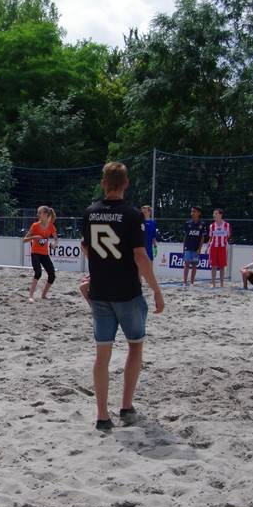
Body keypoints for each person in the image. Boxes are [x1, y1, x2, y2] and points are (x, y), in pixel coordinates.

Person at [80, 162, 164, 431]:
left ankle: (102, 416)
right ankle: (126, 406)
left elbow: (86, 247)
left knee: (102, 354)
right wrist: (156, 290)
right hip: (127, 292)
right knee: (135, 346)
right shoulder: (133, 214)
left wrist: (99, 268)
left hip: (100, 291)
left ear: (103, 184)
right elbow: (140, 256)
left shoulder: (90, 212)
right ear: (126, 183)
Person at [23, 206, 58, 302]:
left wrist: (54, 244)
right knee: (38, 272)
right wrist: (34, 237)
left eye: (39, 213)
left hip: (45, 254)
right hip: (35, 253)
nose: (37, 214)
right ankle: (31, 296)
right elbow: (25, 239)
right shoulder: (35, 225)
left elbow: (56, 239)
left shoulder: (51, 226)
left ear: (45, 214)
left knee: (52, 275)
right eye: (38, 213)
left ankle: (44, 295)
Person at [205, 208, 231, 289]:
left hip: (222, 247)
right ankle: (213, 284)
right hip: (214, 247)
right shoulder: (212, 226)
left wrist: (222, 241)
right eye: (214, 213)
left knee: (222, 266)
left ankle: (222, 284)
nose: (214, 215)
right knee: (213, 266)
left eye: (216, 213)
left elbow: (228, 235)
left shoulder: (226, 225)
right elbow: (211, 237)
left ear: (220, 215)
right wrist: (207, 247)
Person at [182, 206, 206, 286]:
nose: (192, 213)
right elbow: (185, 236)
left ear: (199, 213)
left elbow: (202, 238)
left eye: (194, 211)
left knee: (194, 264)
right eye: (191, 211)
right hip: (188, 246)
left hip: (196, 248)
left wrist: (199, 248)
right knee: (186, 263)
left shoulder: (202, 224)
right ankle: (185, 282)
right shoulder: (188, 223)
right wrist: (183, 248)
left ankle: (191, 282)